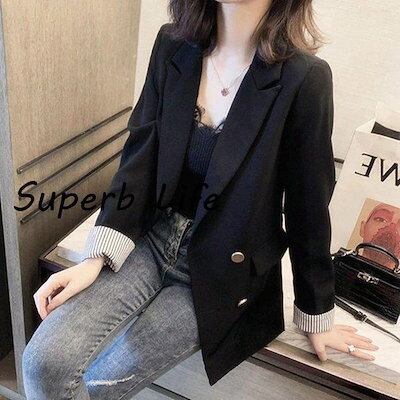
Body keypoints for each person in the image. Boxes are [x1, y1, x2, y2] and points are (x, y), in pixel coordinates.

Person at [22, 1, 378, 398]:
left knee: (104, 380)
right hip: (150, 239)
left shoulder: (305, 78)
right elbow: (140, 158)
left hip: (220, 269)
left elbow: (307, 205)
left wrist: (315, 312)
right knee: (44, 363)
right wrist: (95, 256)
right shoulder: (173, 45)